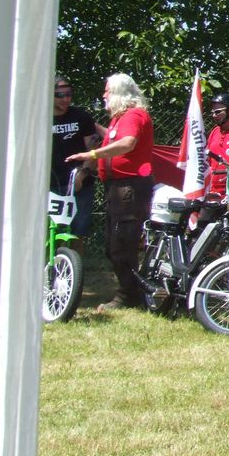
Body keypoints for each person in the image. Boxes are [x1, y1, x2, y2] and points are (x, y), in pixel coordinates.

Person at [66, 73, 154, 311]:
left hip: (130, 188)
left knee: (122, 244)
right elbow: (112, 141)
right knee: (114, 245)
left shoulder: (134, 115)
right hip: (117, 189)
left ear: (120, 93)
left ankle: (129, 296)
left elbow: (127, 143)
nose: (104, 95)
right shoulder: (118, 119)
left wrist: (92, 154)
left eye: (108, 90)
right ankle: (133, 291)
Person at [50, 76, 103, 240]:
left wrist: (83, 173)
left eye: (69, 94)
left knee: (77, 234)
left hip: (79, 184)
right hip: (50, 184)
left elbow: (93, 149)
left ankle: (74, 258)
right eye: (60, 95)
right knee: (47, 231)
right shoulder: (40, 117)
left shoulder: (81, 117)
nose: (65, 99)